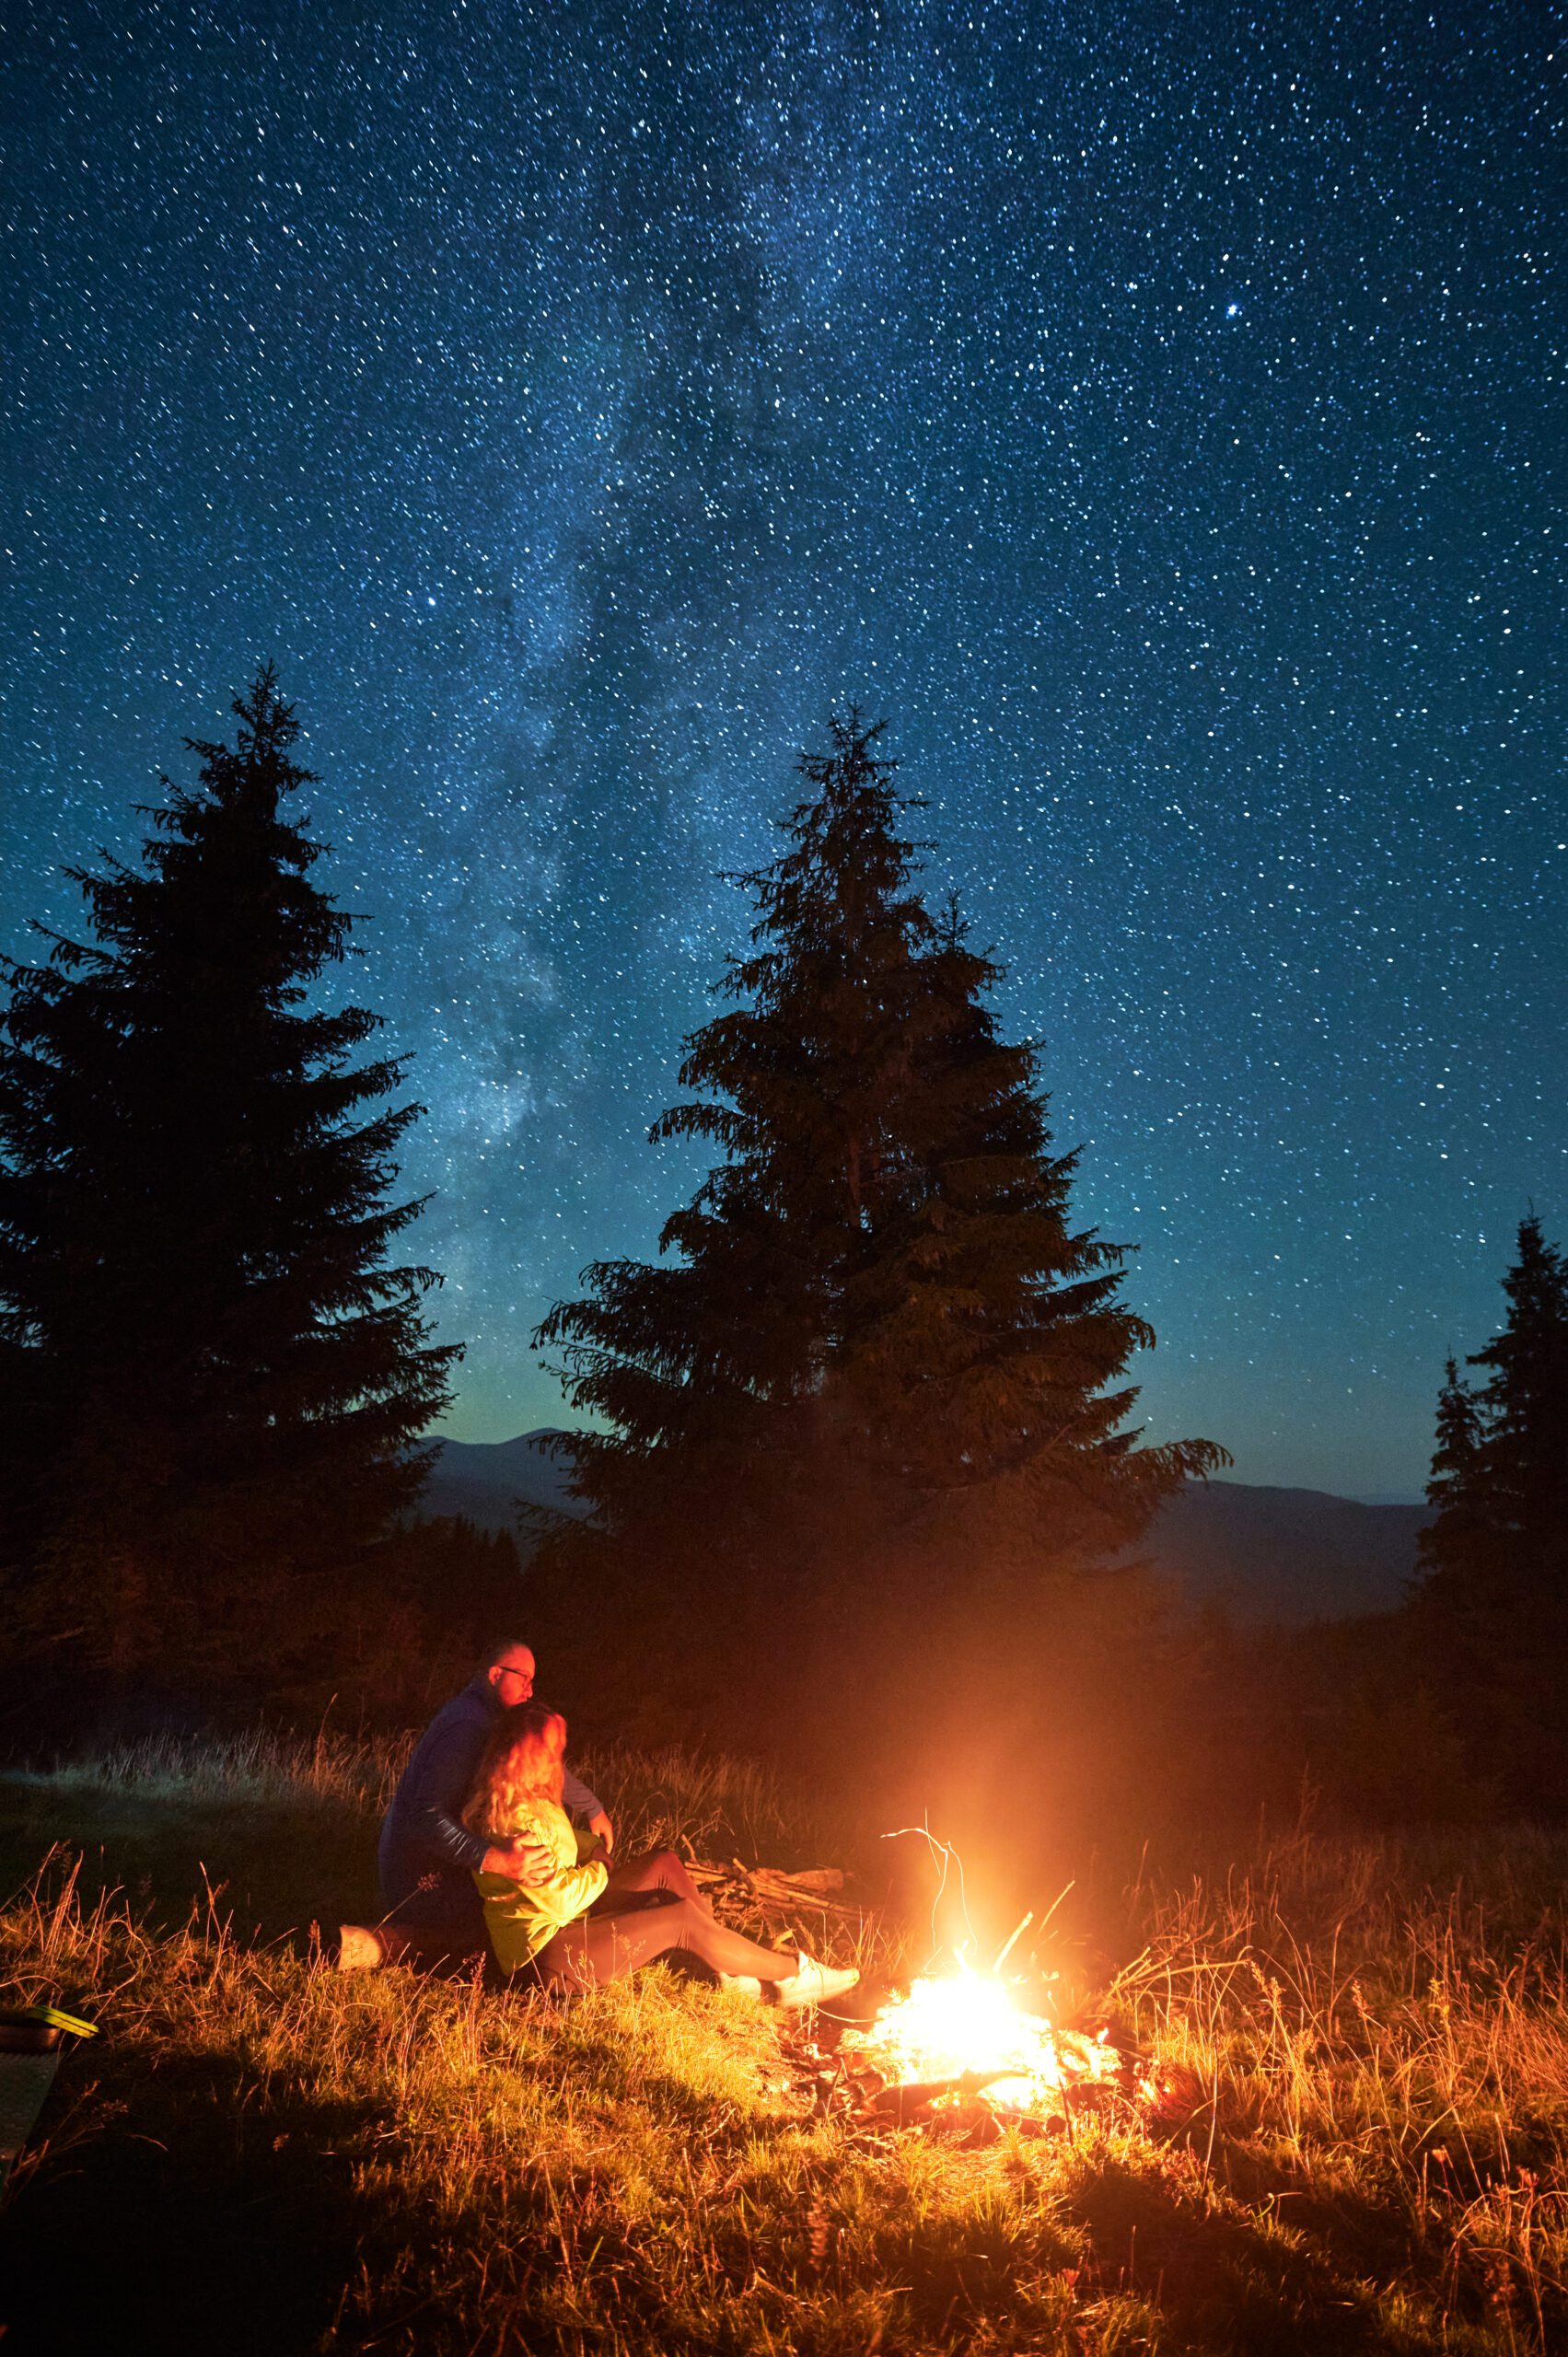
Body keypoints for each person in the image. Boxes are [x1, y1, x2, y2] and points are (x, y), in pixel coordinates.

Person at [464, 1701, 860, 2006]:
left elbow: (568, 1843)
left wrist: (591, 1848)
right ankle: (794, 1976)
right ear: (526, 1752)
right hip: (546, 1957)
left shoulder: (531, 1799)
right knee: (681, 1920)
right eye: (552, 1749)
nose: (560, 1757)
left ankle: (725, 1961)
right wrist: (600, 1867)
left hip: (576, 1919)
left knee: (663, 1862)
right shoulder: (512, 1822)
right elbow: (560, 1901)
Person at [348, 1640, 611, 1968]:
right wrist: (501, 1861)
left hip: (442, 1870)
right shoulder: (466, 1727)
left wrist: (592, 1807)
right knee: (531, 1901)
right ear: (495, 1674)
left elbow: (539, 1757)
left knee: (541, 1893)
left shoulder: (489, 1718)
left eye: (533, 1682)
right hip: (420, 1883)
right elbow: (426, 1818)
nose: (530, 1691)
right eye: (523, 1679)